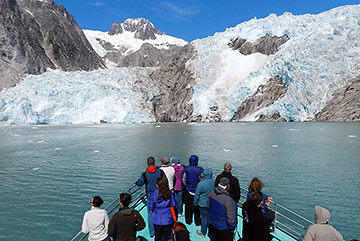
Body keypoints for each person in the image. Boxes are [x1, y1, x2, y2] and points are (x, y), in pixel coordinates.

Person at [135, 157, 166, 237]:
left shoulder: (145, 174)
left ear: (147, 164)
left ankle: (152, 232)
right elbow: (165, 181)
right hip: (160, 194)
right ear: (154, 163)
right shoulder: (160, 172)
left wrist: (137, 182)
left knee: (150, 213)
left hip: (150, 195)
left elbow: (139, 183)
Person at [182, 154, 203, 225]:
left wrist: (186, 186)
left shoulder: (186, 169)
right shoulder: (200, 169)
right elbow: (201, 179)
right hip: (197, 190)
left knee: (188, 206)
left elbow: (183, 179)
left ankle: (188, 220)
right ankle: (197, 221)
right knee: (197, 206)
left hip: (188, 189)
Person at [194, 168, 214, 238]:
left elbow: (197, 195)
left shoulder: (201, 184)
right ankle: (211, 232)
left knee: (204, 218)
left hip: (202, 204)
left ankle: (203, 232)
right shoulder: (214, 182)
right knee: (211, 217)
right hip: (212, 203)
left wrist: (195, 202)